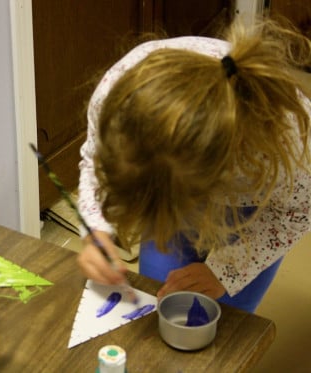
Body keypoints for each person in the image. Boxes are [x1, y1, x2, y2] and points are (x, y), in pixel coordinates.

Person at [77, 18, 311, 314]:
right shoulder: (117, 96)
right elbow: (96, 163)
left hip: (260, 202)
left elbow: (296, 212)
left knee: (224, 318)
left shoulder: (288, 145)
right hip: (195, 175)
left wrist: (224, 272)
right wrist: (96, 228)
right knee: (159, 294)